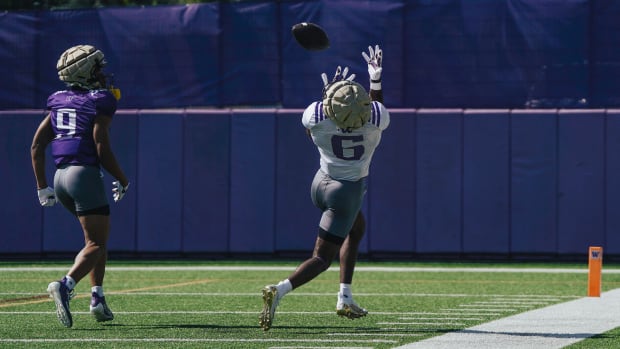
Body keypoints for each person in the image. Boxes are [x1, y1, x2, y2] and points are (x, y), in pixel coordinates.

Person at [259, 45, 390, 331]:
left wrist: (330, 93)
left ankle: (345, 296)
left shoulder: (317, 116)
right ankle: (279, 290)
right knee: (321, 257)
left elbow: (314, 126)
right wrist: (375, 80)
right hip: (346, 193)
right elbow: (375, 106)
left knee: (356, 229)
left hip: (321, 183)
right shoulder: (375, 122)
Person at [30, 44, 130, 328]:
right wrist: (122, 178)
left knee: (96, 242)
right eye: (97, 68)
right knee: (97, 242)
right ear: (86, 72)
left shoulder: (59, 99)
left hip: (61, 177)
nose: (102, 72)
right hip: (83, 174)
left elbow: (37, 145)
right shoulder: (100, 100)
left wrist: (42, 186)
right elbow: (101, 145)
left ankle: (97, 298)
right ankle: (65, 284)